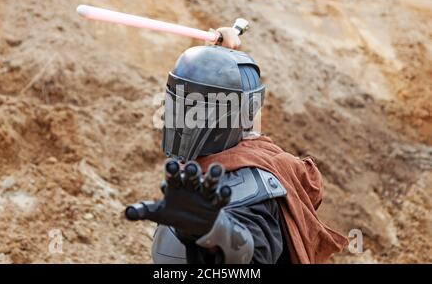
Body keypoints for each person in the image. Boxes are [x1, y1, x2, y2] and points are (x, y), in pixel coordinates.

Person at [125, 28, 348, 264]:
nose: (184, 118)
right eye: (180, 102)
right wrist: (217, 57)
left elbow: (251, 255)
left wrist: (214, 229)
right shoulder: (214, 156)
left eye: (198, 108)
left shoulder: (250, 190)